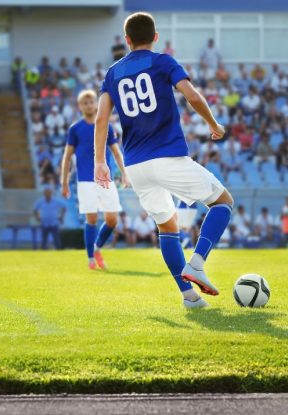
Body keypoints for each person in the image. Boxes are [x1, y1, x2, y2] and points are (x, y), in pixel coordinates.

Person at [95, 12, 233, 309]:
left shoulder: (112, 73)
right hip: (167, 155)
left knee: (168, 228)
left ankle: (189, 298)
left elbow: (100, 120)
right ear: (155, 37)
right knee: (223, 202)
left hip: (136, 166)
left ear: (127, 40)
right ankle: (196, 263)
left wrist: (99, 162)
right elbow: (192, 96)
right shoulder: (164, 61)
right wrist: (213, 124)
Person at [61, 89, 128, 270]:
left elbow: (116, 152)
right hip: (85, 181)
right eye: (85, 102)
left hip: (105, 180)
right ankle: (91, 258)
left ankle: (97, 247)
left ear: (97, 104)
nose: (89, 105)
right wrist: (64, 182)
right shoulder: (75, 129)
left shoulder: (107, 126)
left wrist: (124, 173)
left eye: (92, 102)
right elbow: (67, 157)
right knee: (91, 219)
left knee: (112, 219)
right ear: (80, 106)